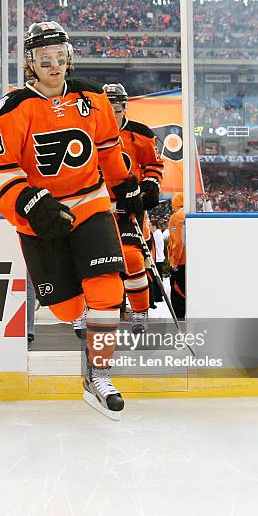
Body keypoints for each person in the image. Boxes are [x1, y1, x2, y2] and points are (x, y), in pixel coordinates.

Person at [0, 21, 143, 419]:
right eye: (44, 59)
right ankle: (83, 324)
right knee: (66, 308)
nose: (54, 65)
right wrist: (27, 202)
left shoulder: (93, 96)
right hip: (42, 216)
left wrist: (125, 183)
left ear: (69, 57)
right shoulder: (11, 108)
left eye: (59, 57)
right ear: (30, 64)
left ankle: (99, 373)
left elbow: (107, 146)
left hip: (90, 204)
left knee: (106, 290)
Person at [103, 83, 164, 333]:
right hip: (95, 206)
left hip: (130, 204)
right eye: (107, 110)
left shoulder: (140, 134)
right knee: (91, 261)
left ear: (124, 108)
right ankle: (90, 310)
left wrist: (150, 185)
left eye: (116, 110)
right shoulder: (84, 133)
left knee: (131, 258)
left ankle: (140, 312)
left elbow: (153, 165)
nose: (112, 116)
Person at [168, 192, 185, 320]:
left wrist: (174, 262)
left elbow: (178, 242)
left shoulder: (177, 217)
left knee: (178, 296)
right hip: (192, 262)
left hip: (181, 263)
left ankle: (180, 325)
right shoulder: (191, 214)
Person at [150, 219, 166, 303]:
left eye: (150, 226)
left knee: (157, 279)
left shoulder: (156, 234)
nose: (149, 228)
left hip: (157, 258)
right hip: (159, 258)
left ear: (154, 226)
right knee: (158, 278)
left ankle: (158, 296)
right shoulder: (158, 233)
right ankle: (158, 295)